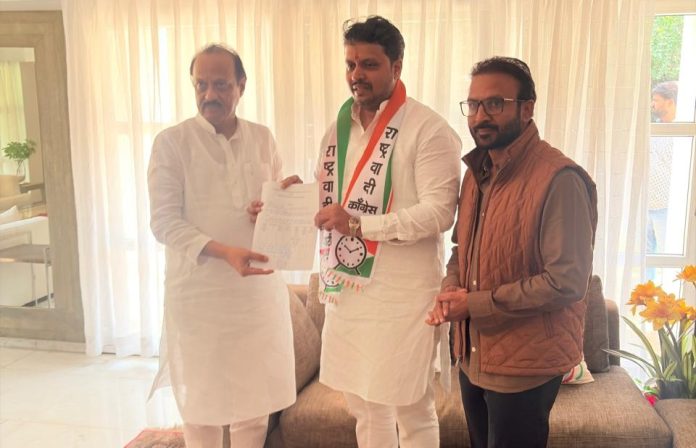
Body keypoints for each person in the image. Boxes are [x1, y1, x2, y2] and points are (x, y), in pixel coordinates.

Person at [426, 57, 598, 448]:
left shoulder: (560, 178)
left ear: (526, 108)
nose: (480, 116)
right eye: (473, 104)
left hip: (526, 367)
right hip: (473, 357)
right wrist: (451, 288)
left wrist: (474, 304)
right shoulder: (476, 172)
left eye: (494, 104)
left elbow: (566, 282)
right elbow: (461, 248)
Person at [313, 16, 462, 448]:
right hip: (347, 290)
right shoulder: (338, 129)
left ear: (397, 67)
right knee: (363, 406)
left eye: (370, 64)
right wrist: (287, 196)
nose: (356, 74)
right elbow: (328, 200)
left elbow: (438, 213)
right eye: (351, 64)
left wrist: (360, 225)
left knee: (410, 406)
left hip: (402, 295)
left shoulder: (429, 129)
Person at [147, 44, 300, 448]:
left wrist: (274, 203)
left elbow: (269, 205)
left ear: (241, 85)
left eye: (220, 84)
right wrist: (225, 251)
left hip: (256, 297)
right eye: (201, 85)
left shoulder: (262, 138)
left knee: (254, 405)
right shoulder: (172, 143)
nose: (209, 94)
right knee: (202, 407)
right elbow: (163, 222)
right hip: (200, 298)